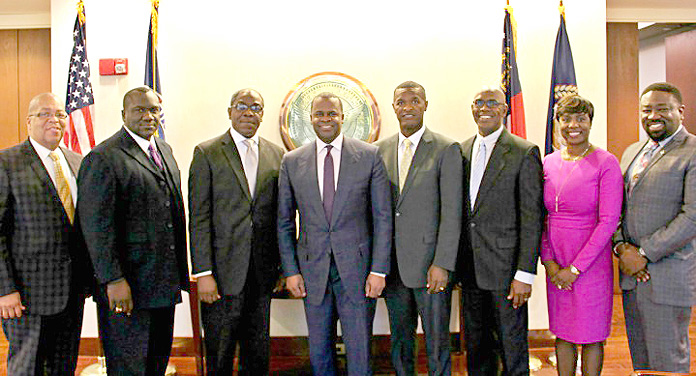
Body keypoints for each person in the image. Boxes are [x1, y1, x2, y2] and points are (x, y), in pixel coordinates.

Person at [77, 86, 190, 376]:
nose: (148, 116)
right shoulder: (103, 157)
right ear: (123, 114)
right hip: (127, 286)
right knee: (129, 365)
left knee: (157, 360)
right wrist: (113, 279)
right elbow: (96, 227)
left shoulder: (163, 150)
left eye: (153, 110)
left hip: (163, 282)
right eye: (140, 110)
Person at [277, 92, 392, 376]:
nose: (326, 119)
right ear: (311, 119)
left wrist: (379, 270)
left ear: (342, 117)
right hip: (311, 271)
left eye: (332, 114)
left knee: (360, 349)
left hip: (358, 270)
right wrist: (291, 271)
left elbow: (382, 217)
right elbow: (284, 222)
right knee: (319, 349)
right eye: (319, 114)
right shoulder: (292, 161)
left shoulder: (369, 156)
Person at [189, 88, 284, 376]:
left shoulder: (276, 154)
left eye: (255, 107)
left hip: (261, 272)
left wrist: (280, 267)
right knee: (220, 351)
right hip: (221, 272)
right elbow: (199, 216)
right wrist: (203, 272)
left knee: (257, 352)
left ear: (262, 114)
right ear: (229, 111)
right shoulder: (207, 152)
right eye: (241, 106)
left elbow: (281, 215)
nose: (248, 112)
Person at [0, 93, 93, 376]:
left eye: (60, 114)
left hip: (73, 289)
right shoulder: (7, 162)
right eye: (45, 114)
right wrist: (5, 290)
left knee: (63, 365)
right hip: (27, 293)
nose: (54, 120)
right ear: (29, 121)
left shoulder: (78, 162)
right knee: (28, 367)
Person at [375, 81, 462, 376]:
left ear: (426, 105)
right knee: (400, 340)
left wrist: (442, 263)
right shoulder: (380, 150)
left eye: (415, 101)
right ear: (394, 108)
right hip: (394, 267)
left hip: (430, 267)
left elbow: (452, 213)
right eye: (401, 102)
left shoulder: (445, 148)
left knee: (437, 342)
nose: (408, 107)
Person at [458, 87, 544, 376]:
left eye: (492, 103)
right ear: (472, 108)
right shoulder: (461, 150)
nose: (485, 108)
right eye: (479, 102)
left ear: (505, 109)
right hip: (470, 271)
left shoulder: (523, 152)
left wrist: (524, 274)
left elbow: (532, 218)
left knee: (512, 347)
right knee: (477, 347)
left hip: (507, 272)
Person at [614, 82, 696, 373]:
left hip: (667, 275)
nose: (652, 116)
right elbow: (619, 207)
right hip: (632, 276)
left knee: (668, 361)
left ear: (680, 112)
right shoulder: (632, 152)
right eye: (646, 110)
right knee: (642, 361)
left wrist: (644, 252)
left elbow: (692, 217)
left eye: (662, 109)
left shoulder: (692, 151)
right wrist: (621, 247)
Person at [540, 95, 623, 376]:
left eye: (580, 119)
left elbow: (609, 221)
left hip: (590, 265)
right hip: (557, 260)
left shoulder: (606, 162)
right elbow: (542, 217)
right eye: (566, 119)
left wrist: (575, 269)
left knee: (591, 335)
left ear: (590, 122)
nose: (573, 125)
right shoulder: (548, 162)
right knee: (562, 332)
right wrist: (550, 262)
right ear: (558, 123)